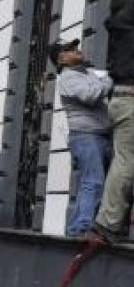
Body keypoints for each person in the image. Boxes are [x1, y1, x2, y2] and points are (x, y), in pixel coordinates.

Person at [92, 0, 134, 243]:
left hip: (117, 99)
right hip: (129, 99)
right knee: (125, 162)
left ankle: (106, 219)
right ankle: (108, 223)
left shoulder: (118, 31)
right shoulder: (132, 31)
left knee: (117, 160)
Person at [50, 39, 113, 237]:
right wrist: (109, 79)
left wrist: (104, 79)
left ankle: (84, 227)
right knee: (93, 181)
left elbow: (100, 85)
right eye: (70, 49)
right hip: (86, 137)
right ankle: (80, 228)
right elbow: (91, 95)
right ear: (61, 59)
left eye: (75, 47)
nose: (77, 50)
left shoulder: (87, 73)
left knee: (99, 182)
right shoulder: (68, 78)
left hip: (100, 135)